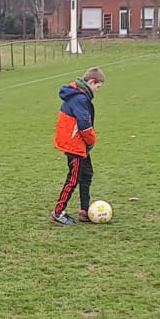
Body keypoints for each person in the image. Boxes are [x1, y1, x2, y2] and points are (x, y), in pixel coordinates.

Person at [52, 66, 104, 225]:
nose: (97, 91)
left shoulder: (78, 95)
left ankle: (84, 211)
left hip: (79, 145)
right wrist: (92, 140)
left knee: (86, 173)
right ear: (91, 82)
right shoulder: (80, 98)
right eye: (98, 87)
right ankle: (57, 212)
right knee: (73, 179)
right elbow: (84, 125)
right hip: (74, 146)